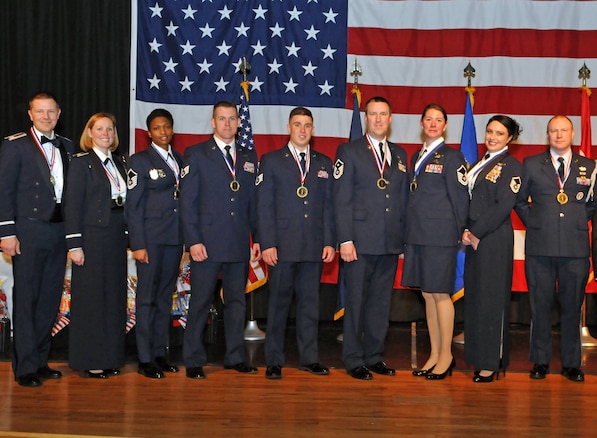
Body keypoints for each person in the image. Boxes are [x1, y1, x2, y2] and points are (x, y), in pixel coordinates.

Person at [180, 100, 260, 379]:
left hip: (238, 242)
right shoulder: (196, 154)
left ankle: (235, 356)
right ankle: (193, 359)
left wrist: (257, 237)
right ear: (212, 122)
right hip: (207, 244)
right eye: (221, 119)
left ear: (239, 123)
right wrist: (194, 241)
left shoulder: (250, 157)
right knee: (201, 301)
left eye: (232, 119)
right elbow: (188, 203)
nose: (227, 124)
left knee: (237, 302)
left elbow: (253, 203)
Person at [0, 92, 75, 387]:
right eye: (40, 111)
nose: (46, 116)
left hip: (58, 232)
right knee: (28, 300)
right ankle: (25, 367)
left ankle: (41, 360)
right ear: (30, 114)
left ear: (59, 114)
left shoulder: (67, 146)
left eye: (51, 111)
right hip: (28, 232)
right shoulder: (15, 145)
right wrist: (6, 232)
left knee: (49, 300)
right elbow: (3, 190)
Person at [333, 96, 409, 380]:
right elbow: (341, 199)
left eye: (383, 114)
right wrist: (345, 239)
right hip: (359, 243)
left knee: (380, 304)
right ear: (366, 118)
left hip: (389, 243)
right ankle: (353, 359)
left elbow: (403, 200)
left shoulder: (400, 155)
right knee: (355, 303)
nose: (378, 119)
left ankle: (375, 356)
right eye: (373, 114)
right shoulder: (349, 151)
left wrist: (402, 241)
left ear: (391, 119)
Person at [515, 115, 596, 382]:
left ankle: (572, 364)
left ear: (572, 133)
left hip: (575, 248)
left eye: (563, 130)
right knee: (540, 306)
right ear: (547, 134)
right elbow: (519, 200)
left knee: (573, 307)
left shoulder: (589, 166)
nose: (559, 135)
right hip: (540, 247)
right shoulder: (531, 164)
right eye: (553, 131)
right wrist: (536, 222)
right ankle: (540, 361)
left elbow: (593, 204)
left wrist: (574, 219)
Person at [257, 107, 335, 380]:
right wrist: (267, 243)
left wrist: (329, 241)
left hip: (313, 247)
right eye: (297, 124)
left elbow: (329, 207)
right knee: (278, 305)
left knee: (310, 306)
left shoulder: (325, 163)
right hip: (282, 247)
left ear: (313, 129)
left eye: (307, 125)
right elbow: (264, 207)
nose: (302, 130)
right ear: (288, 128)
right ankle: (274, 360)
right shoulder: (271, 161)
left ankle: (309, 358)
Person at [402, 103, 469, 380]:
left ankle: (447, 356)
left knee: (441, 294)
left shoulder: (453, 157)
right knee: (428, 294)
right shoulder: (416, 156)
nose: (432, 124)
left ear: (444, 125)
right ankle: (434, 352)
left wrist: (458, 233)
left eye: (438, 120)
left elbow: (461, 199)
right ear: (421, 123)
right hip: (418, 235)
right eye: (428, 119)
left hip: (441, 237)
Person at [65, 113, 128, 379]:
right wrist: (74, 244)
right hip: (91, 238)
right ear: (89, 133)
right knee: (91, 300)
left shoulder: (120, 163)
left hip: (116, 236)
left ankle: (111, 357)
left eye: (110, 129)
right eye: (99, 129)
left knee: (113, 298)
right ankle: (91, 360)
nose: (106, 133)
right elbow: (72, 205)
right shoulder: (81, 163)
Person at [462, 115, 523, 383]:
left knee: (492, 300)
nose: (492, 137)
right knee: (476, 298)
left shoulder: (512, 165)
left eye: (499, 133)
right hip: (475, 238)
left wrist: (476, 232)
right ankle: (478, 356)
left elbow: (502, 206)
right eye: (489, 131)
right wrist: (466, 231)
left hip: (494, 238)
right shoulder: (481, 162)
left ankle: (491, 363)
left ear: (510, 138)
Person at [126, 109, 183, 379]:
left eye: (167, 127)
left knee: (164, 298)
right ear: (149, 132)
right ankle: (145, 357)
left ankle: (160, 353)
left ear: (172, 129)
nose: (163, 132)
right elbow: (133, 207)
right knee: (146, 298)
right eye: (157, 128)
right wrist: (137, 243)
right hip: (150, 241)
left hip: (173, 239)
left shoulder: (179, 160)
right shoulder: (138, 161)